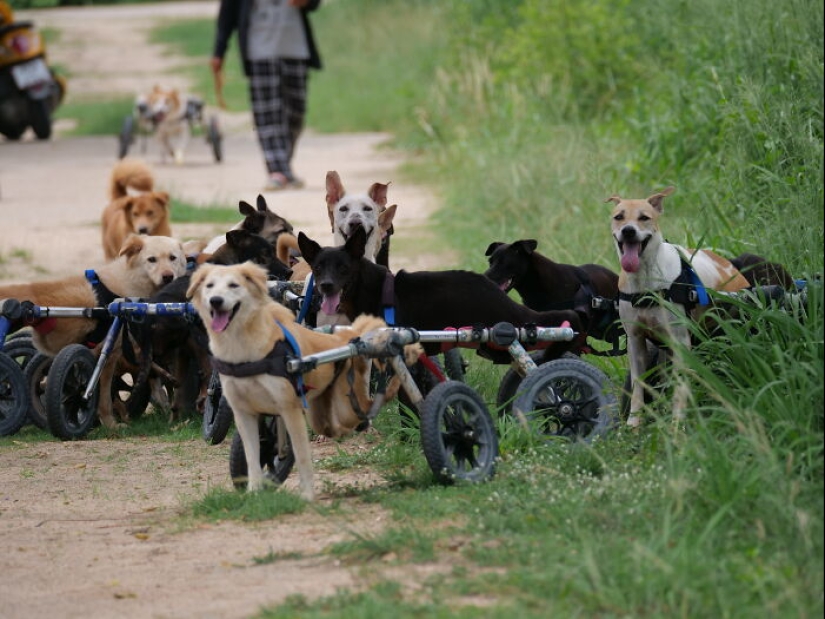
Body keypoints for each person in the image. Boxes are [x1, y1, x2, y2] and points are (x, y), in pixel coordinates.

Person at [211, 0, 322, 191]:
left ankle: (283, 166)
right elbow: (227, 13)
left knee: (296, 113)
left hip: (295, 48)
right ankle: (277, 171)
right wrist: (218, 52)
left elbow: (314, 4)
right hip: (259, 51)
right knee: (267, 114)